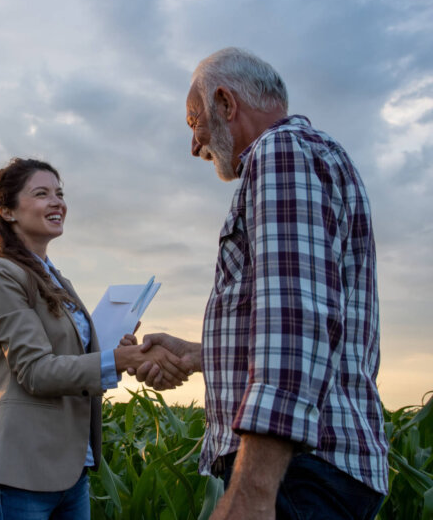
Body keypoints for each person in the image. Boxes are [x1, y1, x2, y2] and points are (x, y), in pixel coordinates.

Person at [129, 48, 389, 519]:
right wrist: (196, 354)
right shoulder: (311, 156)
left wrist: (251, 491)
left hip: (297, 473)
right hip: (309, 470)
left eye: (194, 122)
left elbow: (295, 323)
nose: (194, 144)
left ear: (226, 104)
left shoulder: (280, 152)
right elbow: (311, 320)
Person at [0, 157, 187, 519]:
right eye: (41, 194)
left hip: (71, 475)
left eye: (60, 193)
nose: (57, 202)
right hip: (19, 474)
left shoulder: (59, 282)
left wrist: (119, 351)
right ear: (7, 210)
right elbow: (36, 372)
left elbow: (75, 364)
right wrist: (118, 361)